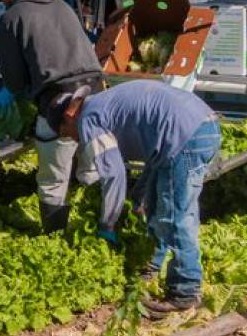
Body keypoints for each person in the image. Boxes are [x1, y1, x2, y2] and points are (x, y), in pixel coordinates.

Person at [76, 79, 222, 316]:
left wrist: (108, 223)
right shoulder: (104, 103)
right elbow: (153, 140)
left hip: (185, 137)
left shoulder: (87, 119)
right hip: (201, 125)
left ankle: (185, 292)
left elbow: (113, 174)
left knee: (175, 217)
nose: (76, 140)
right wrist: (140, 194)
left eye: (66, 134)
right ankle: (151, 266)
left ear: (69, 115)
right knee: (156, 206)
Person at [0, 0, 105, 233]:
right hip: (98, 95)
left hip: (59, 102)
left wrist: (12, 93)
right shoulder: (62, 5)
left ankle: (53, 236)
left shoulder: (11, 17)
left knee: (53, 178)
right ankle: (96, 231)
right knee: (93, 168)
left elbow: (15, 80)